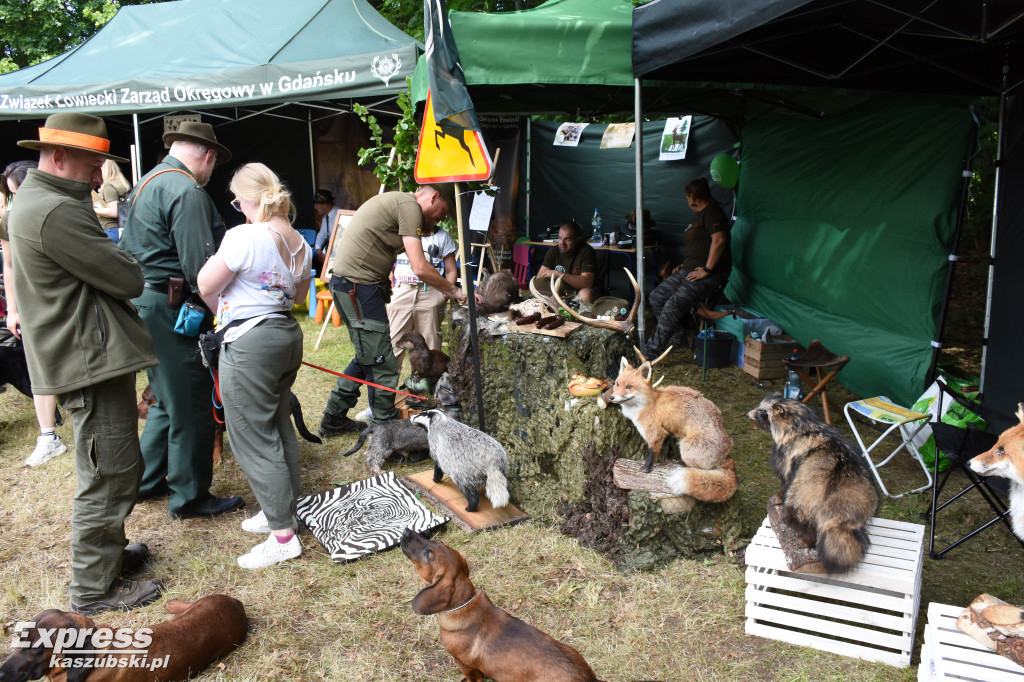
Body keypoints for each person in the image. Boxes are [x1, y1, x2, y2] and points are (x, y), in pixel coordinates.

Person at [7, 113, 162, 614]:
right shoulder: (55, 210)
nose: (100, 178)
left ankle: (108, 557)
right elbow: (127, 278)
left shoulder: (43, 201)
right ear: (58, 156)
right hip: (86, 357)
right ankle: (93, 591)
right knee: (109, 473)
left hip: (86, 352)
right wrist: (125, 263)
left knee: (111, 464)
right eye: (94, 165)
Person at [119, 121, 243, 519]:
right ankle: (190, 496)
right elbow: (199, 270)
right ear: (207, 155)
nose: (211, 174)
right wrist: (226, 313)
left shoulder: (149, 180)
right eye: (213, 164)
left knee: (164, 400)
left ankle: (148, 480)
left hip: (144, 302)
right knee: (190, 400)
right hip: (174, 309)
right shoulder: (187, 190)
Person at [197, 163, 311, 569]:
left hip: (250, 341)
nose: (237, 206)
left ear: (248, 200)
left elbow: (206, 284)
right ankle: (280, 511)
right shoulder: (301, 243)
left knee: (250, 435)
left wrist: (226, 316)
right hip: (285, 335)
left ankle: (283, 535)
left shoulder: (243, 235)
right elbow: (297, 297)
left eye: (236, 199)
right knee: (279, 425)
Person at [318, 183, 468, 436]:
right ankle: (386, 431)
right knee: (383, 361)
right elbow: (419, 267)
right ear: (434, 197)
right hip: (358, 286)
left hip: (357, 285)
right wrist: (454, 291)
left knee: (368, 356)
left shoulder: (401, 205)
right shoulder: (409, 206)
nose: (443, 218)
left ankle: (334, 418)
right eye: (444, 211)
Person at [1, 159, 67, 467]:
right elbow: (10, 266)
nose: (14, 199)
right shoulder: (8, 220)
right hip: (31, 304)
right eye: (11, 194)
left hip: (65, 299)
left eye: (17, 191)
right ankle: (48, 437)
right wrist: (12, 310)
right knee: (38, 366)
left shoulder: (59, 209)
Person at [644, 177, 732, 358]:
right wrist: (687, 264)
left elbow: (719, 240)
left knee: (672, 305)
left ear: (692, 196)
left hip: (709, 274)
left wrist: (707, 269)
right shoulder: (699, 215)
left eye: (687, 196)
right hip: (689, 270)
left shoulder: (712, 212)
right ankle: (677, 340)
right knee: (656, 297)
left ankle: (650, 353)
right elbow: (701, 244)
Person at [535, 220, 598, 302]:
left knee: (585, 294)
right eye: (560, 238)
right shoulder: (553, 251)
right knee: (539, 291)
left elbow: (587, 282)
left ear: (577, 239)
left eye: (567, 239)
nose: (562, 243)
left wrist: (559, 274)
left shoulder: (587, 251)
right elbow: (539, 279)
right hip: (560, 292)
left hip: (578, 292)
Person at [92, 159, 132, 242]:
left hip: (110, 229)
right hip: (123, 228)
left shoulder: (109, 186)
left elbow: (114, 212)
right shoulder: (123, 182)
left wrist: (93, 209)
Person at [311, 188, 340, 272]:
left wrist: (326, 253)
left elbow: (338, 240)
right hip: (328, 255)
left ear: (324, 205)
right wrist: (318, 249)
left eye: (317, 204)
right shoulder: (326, 217)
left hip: (337, 256)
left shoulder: (339, 214)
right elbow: (322, 234)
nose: (315, 207)